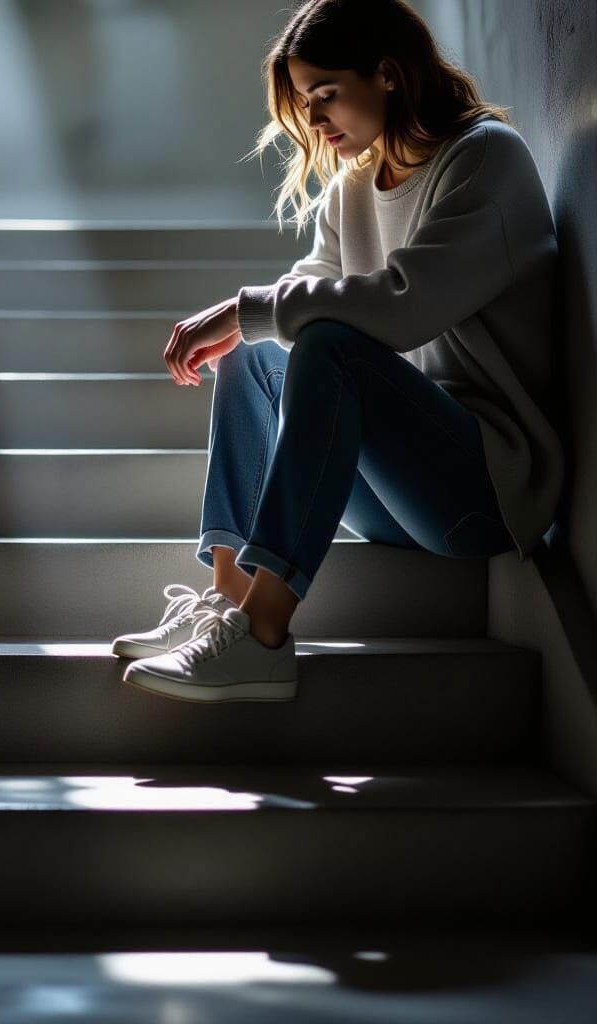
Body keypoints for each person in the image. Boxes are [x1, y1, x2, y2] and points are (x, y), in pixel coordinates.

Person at [111, 0, 564, 705]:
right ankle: (230, 599)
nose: (316, 121)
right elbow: (312, 287)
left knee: (323, 342)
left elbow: (403, 306)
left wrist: (245, 307)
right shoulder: (354, 186)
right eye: (304, 101)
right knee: (256, 351)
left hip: (483, 491)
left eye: (326, 94)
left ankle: (264, 636)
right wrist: (247, 320)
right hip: (396, 490)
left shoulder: (485, 159)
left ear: (387, 74)